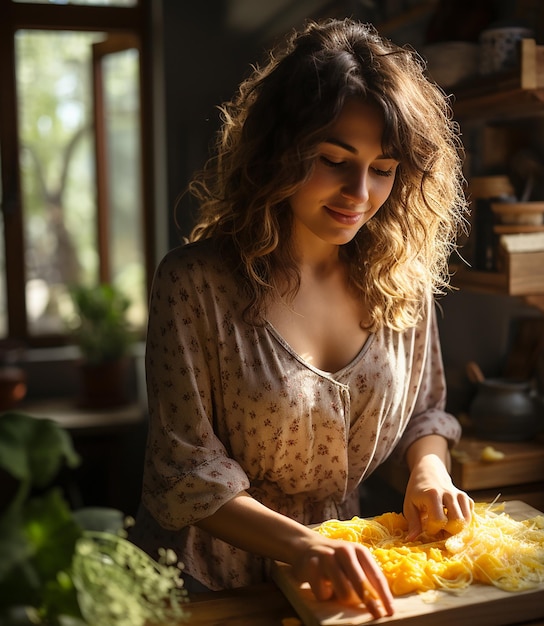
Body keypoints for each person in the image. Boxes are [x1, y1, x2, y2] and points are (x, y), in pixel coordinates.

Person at [132, 17, 473, 620]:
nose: (359, 193)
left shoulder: (402, 283)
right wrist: (306, 548)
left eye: (384, 169)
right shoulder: (194, 285)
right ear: (277, 152)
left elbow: (425, 411)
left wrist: (428, 473)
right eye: (333, 159)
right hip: (217, 590)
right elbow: (186, 472)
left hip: (343, 582)